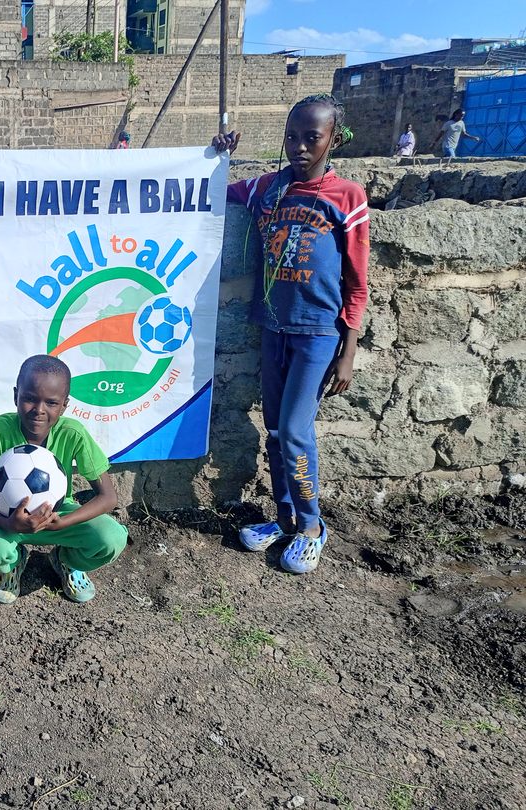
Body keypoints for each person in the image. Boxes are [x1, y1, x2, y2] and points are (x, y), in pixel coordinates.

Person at [212, 93, 369, 574]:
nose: (299, 146)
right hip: (272, 328)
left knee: (297, 430)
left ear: (333, 140)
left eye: (311, 138)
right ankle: (284, 519)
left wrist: (348, 349)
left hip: (317, 334)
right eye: (292, 136)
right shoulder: (267, 189)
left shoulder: (347, 197)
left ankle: (312, 526)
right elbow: (217, 190)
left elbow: (357, 281)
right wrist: (218, 156)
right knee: (276, 431)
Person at [0, 355, 128, 604]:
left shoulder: (73, 433)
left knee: (112, 538)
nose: (39, 410)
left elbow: (108, 497)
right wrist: (8, 523)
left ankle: (68, 561)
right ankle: (11, 565)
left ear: (64, 405)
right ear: (16, 396)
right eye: (30, 398)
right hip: (7, 519)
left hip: (59, 515)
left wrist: (64, 521)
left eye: (51, 402)